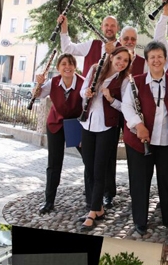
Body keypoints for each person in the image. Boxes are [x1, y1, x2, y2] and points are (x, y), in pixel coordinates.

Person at [58, 13, 124, 208]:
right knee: (89, 155)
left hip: (111, 110)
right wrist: (64, 28)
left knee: (108, 156)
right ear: (102, 27)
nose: (109, 28)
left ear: (116, 29)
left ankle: (108, 193)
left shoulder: (121, 50)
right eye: (106, 25)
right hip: (89, 111)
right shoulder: (93, 45)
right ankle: (93, 193)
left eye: (113, 25)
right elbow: (68, 48)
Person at [121, 41, 168, 235]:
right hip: (141, 141)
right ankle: (140, 221)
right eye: (152, 57)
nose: (156, 60)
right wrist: (138, 125)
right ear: (147, 61)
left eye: (160, 56)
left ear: (165, 59)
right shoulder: (136, 81)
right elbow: (127, 106)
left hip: (166, 141)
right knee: (139, 182)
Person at [77, 46, 131, 232]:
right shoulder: (95, 69)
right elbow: (82, 90)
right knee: (88, 165)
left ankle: (92, 212)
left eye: (125, 61)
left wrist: (110, 99)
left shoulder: (124, 80)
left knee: (99, 168)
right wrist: (86, 93)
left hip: (107, 127)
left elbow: (126, 107)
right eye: (119, 58)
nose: (121, 63)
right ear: (112, 56)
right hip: (87, 123)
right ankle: (98, 208)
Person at [31, 53, 84, 214]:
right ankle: (49, 201)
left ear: (75, 66)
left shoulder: (82, 82)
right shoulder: (53, 82)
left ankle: (93, 198)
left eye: (70, 64)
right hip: (56, 124)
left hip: (76, 124)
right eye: (63, 64)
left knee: (89, 159)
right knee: (54, 164)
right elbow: (37, 95)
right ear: (58, 68)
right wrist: (38, 84)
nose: (67, 67)